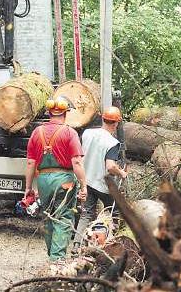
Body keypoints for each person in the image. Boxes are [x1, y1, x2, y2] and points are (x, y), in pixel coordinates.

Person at [24, 95, 87, 262]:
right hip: (64, 180)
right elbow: (76, 162)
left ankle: (52, 255)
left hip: (43, 180)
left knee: (48, 217)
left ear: (49, 113)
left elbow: (31, 163)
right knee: (64, 217)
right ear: (65, 113)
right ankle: (56, 260)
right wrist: (84, 186)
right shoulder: (69, 132)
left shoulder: (37, 132)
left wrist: (28, 188)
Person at [73, 106, 127, 250]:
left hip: (86, 181)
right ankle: (115, 244)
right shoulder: (112, 143)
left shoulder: (87, 133)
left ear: (103, 119)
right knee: (117, 211)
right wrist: (121, 172)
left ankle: (76, 246)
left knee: (86, 214)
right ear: (116, 124)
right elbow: (110, 166)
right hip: (101, 184)